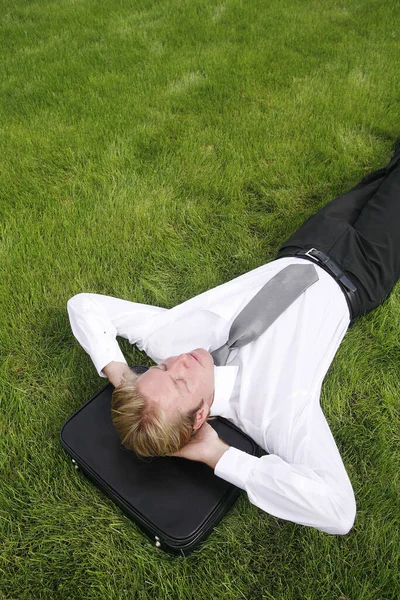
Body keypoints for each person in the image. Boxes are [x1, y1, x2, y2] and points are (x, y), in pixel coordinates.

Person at [67, 142, 400, 536]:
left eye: (160, 368)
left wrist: (120, 373)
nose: (179, 362)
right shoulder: (274, 413)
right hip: (362, 272)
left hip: (306, 245)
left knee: (381, 179)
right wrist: (220, 456)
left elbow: (84, 305)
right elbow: (338, 511)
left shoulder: (167, 342)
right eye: (180, 381)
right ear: (200, 416)